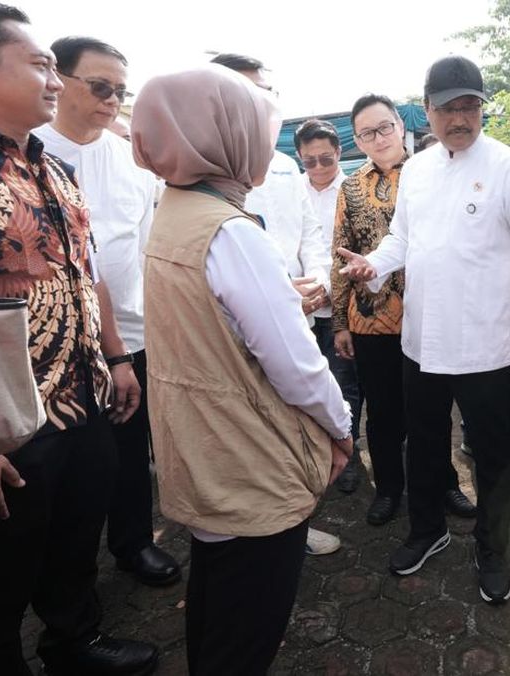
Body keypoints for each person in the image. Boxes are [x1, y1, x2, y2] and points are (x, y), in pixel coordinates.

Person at [0, 2, 159, 673]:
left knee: (76, 548)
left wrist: (116, 357)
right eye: (42, 64)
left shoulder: (56, 170)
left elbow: (87, 271)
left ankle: (74, 642)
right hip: (0, 431)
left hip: (84, 402)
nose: (55, 81)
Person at [132, 64, 354, 675]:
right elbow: (295, 365)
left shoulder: (174, 209)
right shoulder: (231, 233)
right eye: (255, 127)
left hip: (204, 443)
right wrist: (340, 425)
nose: (264, 141)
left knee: (216, 599)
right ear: (223, 136)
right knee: (246, 628)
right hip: (248, 453)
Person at [338, 55, 510, 605]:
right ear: (427, 111)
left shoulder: (507, 167)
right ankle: (428, 529)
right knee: (422, 444)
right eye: (447, 107)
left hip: (488, 343)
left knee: (496, 455)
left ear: (480, 107)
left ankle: (491, 547)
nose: (459, 117)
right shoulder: (420, 169)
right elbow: (402, 240)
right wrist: (373, 265)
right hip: (423, 341)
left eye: (469, 105)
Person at [34, 36, 182, 588]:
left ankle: (134, 542)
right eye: (100, 87)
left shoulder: (129, 161)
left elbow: (146, 247)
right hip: (53, 347)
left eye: (120, 90)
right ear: (59, 79)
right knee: (66, 464)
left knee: (126, 447)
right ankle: (58, 576)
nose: (111, 100)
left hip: (130, 335)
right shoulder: (29, 154)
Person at [212, 52, 343, 557]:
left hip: (298, 314)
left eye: (267, 92)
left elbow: (309, 231)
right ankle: (249, 532)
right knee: (248, 430)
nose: (263, 102)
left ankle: (294, 521)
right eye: (250, 92)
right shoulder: (198, 167)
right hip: (235, 331)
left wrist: (320, 282)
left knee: (293, 422)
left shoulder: (285, 164)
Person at [331, 93, 475, 526]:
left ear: (400, 125)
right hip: (371, 319)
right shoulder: (350, 186)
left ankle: (443, 482)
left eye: (384, 127)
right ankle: (390, 487)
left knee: (432, 410)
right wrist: (340, 321)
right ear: (357, 140)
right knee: (384, 412)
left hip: (429, 313)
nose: (378, 138)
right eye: (366, 133)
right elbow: (341, 254)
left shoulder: (433, 173)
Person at [296, 118, 364, 493]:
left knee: (344, 385)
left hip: (344, 307)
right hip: (303, 306)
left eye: (326, 159)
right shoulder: (291, 191)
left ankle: (349, 454)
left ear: (339, 153)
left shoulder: (353, 190)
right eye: (310, 162)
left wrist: (331, 289)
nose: (319, 168)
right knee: (306, 386)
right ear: (300, 158)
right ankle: (316, 454)